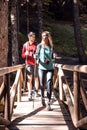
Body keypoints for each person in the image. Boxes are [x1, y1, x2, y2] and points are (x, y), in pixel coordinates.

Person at [36, 31, 54, 111]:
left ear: (48, 36)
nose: (44, 37)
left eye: (46, 35)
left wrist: (53, 59)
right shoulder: (39, 46)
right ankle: (42, 97)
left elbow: (52, 56)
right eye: (43, 35)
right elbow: (36, 55)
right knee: (42, 84)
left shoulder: (51, 46)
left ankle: (48, 102)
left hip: (50, 68)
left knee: (49, 82)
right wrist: (39, 60)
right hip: (41, 67)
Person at [21, 32, 39, 101]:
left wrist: (36, 56)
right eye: (32, 37)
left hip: (36, 63)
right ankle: (30, 92)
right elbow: (22, 56)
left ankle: (36, 91)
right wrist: (25, 54)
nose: (34, 38)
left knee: (36, 78)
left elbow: (39, 54)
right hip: (28, 63)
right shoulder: (25, 45)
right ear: (29, 37)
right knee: (29, 78)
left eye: (34, 37)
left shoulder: (37, 45)